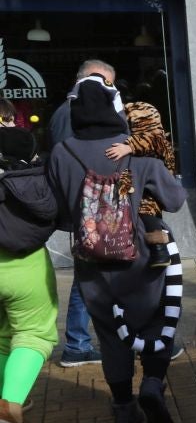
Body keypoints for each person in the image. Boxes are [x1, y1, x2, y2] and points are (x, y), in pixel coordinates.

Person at [46, 77, 185, 423]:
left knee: (110, 333)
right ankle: (152, 384)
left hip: (92, 261)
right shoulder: (131, 149)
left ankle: (124, 408)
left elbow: (60, 213)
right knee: (156, 320)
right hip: (144, 257)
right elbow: (174, 200)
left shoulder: (61, 152)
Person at [49, 60, 120, 369]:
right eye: (107, 84)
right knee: (87, 280)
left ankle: (81, 342)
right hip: (92, 211)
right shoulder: (73, 114)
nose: (110, 91)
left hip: (85, 211)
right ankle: (78, 344)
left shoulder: (65, 112)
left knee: (89, 278)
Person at [0, 125, 59, 423]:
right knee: (34, 333)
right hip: (25, 265)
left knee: (1, 336)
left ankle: (7, 395)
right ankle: (9, 406)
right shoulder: (33, 178)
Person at [103, 102, 178, 268]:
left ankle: (159, 250)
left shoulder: (158, 140)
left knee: (147, 213)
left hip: (151, 191)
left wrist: (129, 147)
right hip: (144, 186)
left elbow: (151, 141)